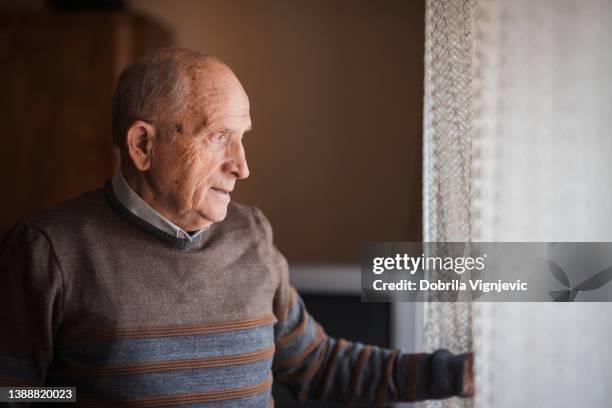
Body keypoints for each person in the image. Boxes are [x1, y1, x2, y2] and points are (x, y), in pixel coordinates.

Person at [0, 48, 473, 407]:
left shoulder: (253, 234)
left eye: (242, 139)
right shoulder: (47, 251)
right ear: (143, 144)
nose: (242, 167)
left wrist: (455, 374)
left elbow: (318, 363)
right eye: (219, 137)